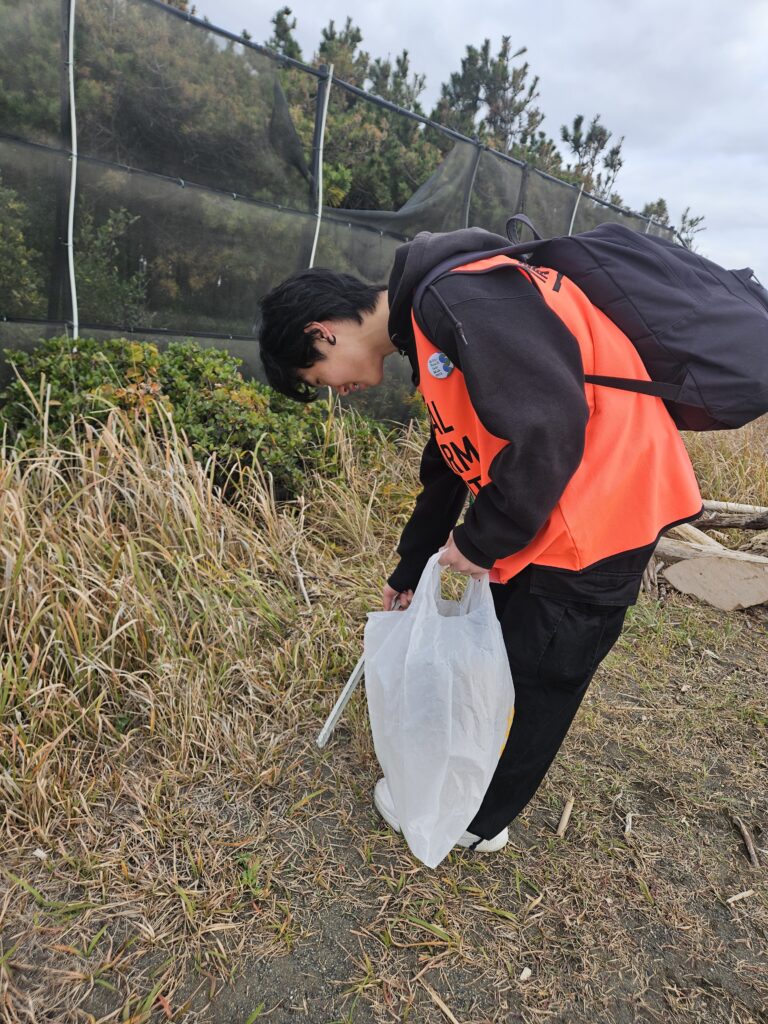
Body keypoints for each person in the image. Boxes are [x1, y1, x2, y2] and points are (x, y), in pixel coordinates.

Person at [258, 226, 702, 853]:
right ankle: (464, 788)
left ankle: (475, 820)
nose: (339, 391)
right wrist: (412, 566)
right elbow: (449, 457)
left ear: (321, 332)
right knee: (507, 655)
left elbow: (547, 427)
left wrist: (481, 540)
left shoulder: (459, 300)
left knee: (544, 669)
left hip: (601, 512)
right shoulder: (433, 322)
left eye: (322, 377)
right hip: (557, 511)